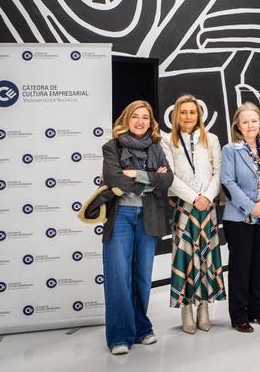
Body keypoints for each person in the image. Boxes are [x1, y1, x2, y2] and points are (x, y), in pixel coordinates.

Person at [100, 100, 173, 355]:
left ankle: (141, 328)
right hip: (121, 214)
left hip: (149, 216)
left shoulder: (156, 146)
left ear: (151, 122)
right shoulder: (112, 147)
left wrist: (135, 174)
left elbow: (167, 179)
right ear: (126, 119)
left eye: (145, 117)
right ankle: (120, 335)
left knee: (142, 275)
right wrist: (150, 179)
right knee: (119, 275)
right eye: (135, 117)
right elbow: (113, 178)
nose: (140, 121)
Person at [161, 94, 225, 334]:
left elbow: (218, 172)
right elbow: (168, 175)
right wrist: (193, 197)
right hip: (183, 206)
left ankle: (204, 307)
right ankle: (185, 308)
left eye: (192, 112)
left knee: (206, 256)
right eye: (184, 112)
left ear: (199, 115)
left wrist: (207, 197)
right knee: (185, 256)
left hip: (207, 207)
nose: (188, 116)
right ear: (176, 115)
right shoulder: (167, 140)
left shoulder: (212, 139)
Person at [220, 102, 260, 333]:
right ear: (238, 124)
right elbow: (228, 183)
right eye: (245, 121)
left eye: (254, 121)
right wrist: (250, 208)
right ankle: (238, 315)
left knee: (259, 265)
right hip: (239, 219)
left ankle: (257, 310)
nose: (250, 125)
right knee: (240, 267)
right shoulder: (230, 150)